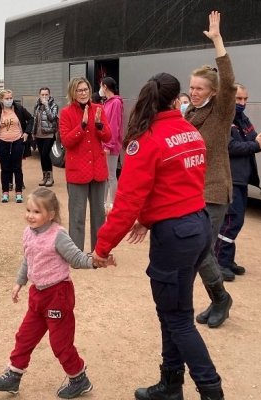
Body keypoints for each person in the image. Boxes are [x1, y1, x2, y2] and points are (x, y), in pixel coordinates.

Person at [93, 72, 225, 400]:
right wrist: (150, 219)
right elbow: (178, 184)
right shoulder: (189, 131)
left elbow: (126, 202)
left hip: (175, 237)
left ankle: (211, 391)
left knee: (178, 318)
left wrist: (102, 246)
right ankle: (171, 383)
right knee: (171, 311)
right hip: (196, 226)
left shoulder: (148, 138)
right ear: (175, 97)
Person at [0, 187, 107, 399]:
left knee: (60, 343)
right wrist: (19, 282)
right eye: (28, 210)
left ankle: (79, 378)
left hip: (58, 295)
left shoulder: (58, 235)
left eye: (36, 212)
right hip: (37, 295)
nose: (30, 216)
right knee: (24, 336)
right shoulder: (28, 233)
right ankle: (13, 376)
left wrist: (96, 262)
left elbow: (77, 259)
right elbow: (28, 258)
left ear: (51, 215)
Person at [183, 11, 236, 328]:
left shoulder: (221, 112)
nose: (195, 91)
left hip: (214, 191)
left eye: (200, 88)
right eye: (192, 87)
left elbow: (229, 83)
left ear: (213, 92)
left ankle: (221, 299)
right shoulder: (189, 113)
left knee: (201, 250)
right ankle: (218, 299)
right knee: (196, 250)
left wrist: (217, 40)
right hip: (190, 192)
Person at [214, 83, 261, 276]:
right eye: (238, 99)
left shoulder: (242, 118)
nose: (242, 103)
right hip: (230, 178)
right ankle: (219, 262)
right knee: (232, 221)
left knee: (234, 220)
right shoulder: (223, 119)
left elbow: (251, 140)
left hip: (241, 177)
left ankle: (227, 260)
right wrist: (257, 145)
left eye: (245, 99)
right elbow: (231, 147)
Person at [59, 77, 111, 251]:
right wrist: (81, 125)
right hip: (77, 171)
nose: (83, 93)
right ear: (73, 92)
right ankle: (76, 254)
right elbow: (66, 141)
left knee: (98, 216)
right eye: (79, 90)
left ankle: (99, 252)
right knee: (77, 216)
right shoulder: (66, 113)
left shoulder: (98, 109)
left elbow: (108, 136)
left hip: (97, 170)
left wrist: (99, 125)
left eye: (85, 89)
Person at [0, 89, 34, 203]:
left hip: (17, 141)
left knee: (17, 168)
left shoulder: (19, 108)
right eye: (7, 98)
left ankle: (18, 193)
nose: (9, 100)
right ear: (1, 99)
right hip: (2, 143)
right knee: (5, 168)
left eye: (11, 98)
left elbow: (30, 119)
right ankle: (5, 193)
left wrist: (26, 133)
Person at [100, 76, 124, 212]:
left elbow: (114, 125)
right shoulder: (108, 102)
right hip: (106, 144)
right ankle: (103, 203)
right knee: (106, 175)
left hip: (110, 145)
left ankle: (113, 204)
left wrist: (108, 145)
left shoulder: (115, 103)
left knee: (111, 175)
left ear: (105, 87)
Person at [31, 87, 59, 187]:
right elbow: (35, 119)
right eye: (42, 95)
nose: (44, 97)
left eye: (46, 95)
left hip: (49, 134)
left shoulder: (54, 105)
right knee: (42, 157)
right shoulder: (37, 105)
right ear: (39, 95)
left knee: (45, 154)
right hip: (38, 134)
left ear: (49, 95)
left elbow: (52, 117)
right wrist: (33, 133)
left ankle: (50, 177)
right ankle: (44, 176)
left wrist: (46, 105)